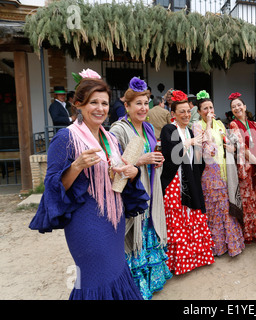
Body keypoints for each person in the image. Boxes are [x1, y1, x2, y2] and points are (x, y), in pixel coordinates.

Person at [29, 70, 149, 300]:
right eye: (93, 102)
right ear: (78, 105)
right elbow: (53, 189)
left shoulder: (110, 139)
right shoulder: (66, 138)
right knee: (94, 280)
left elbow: (121, 179)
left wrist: (131, 173)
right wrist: (76, 166)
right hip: (86, 224)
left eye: (104, 103)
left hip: (113, 219)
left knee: (115, 272)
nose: (100, 108)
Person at [109, 77, 172, 299]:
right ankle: (134, 287)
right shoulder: (118, 130)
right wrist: (139, 162)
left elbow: (149, 155)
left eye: (146, 103)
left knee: (148, 230)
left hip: (150, 190)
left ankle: (150, 281)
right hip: (132, 194)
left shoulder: (147, 128)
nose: (143, 108)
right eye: (138, 103)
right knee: (132, 235)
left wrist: (156, 161)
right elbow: (114, 167)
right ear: (126, 106)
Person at [160, 90, 215, 275]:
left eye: (187, 111)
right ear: (173, 114)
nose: (185, 115)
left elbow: (195, 158)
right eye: (180, 111)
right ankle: (178, 263)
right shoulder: (170, 129)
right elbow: (172, 155)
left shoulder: (190, 130)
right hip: (176, 181)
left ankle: (195, 259)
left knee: (192, 218)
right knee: (178, 221)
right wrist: (190, 142)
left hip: (190, 178)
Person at [192, 90, 245, 257]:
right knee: (215, 209)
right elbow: (206, 150)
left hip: (223, 169)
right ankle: (217, 247)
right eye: (205, 108)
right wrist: (207, 124)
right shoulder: (197, 126)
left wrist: (231, 147)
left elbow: (226, 143)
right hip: (209, 171)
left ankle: (232, 246)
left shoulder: (221, 125)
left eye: (211, 107)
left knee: (226, 208)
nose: (209, 111)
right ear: (199, 112)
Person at [228, 92, 256, 242]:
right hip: (247, 167)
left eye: (239, 105)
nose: (237, 108)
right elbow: (241, 147)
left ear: (244, 107)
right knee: (248, 198)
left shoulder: (255, 125)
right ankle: (250, 233)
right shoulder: (233, 125)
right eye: (233, 107)